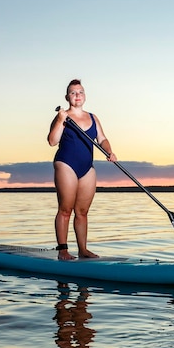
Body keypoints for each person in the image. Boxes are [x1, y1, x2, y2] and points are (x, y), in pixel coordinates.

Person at [48, 79, 117, 259]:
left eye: (80, 92)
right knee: (65, 209)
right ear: (67, 97)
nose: (77, 95)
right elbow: (52, 141)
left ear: (84, 96)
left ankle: (83, 250)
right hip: (66, 164)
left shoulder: (93, 117)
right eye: (73, 92)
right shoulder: (62, 116)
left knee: (83, 212)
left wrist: (109, 151)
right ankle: (62, 250)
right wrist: (61, 120)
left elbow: (102, 139)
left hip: (87, 168)